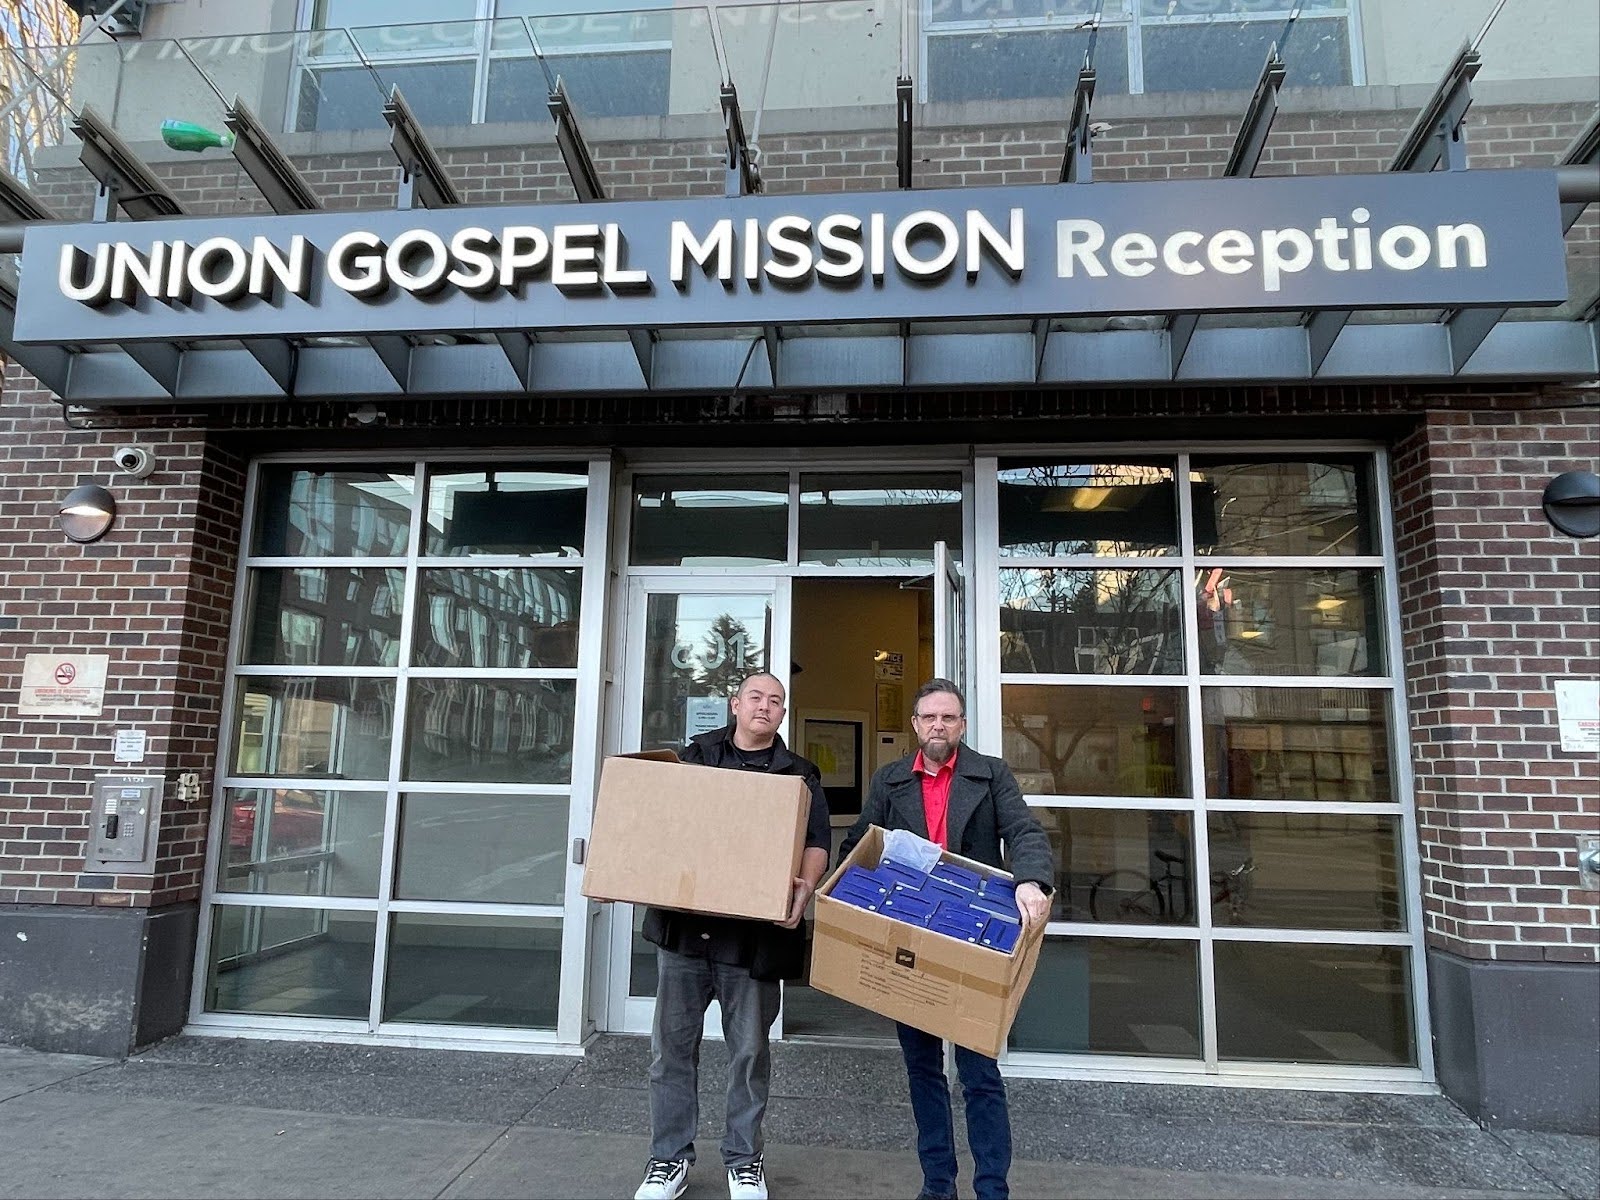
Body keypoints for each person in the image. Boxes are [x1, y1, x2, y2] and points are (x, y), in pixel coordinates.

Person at [839, 678, 1054, 1200]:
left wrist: (1030, 878)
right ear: (914, 725)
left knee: (980, 1074)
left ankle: (991, 1190)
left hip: (974, 939)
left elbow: (1025, 830)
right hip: (909, 942)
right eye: (930, 717)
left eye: (949, 718)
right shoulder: (890, 781)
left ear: (961, 724)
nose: (939, 725)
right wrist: (832, 891)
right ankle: (938, 1187)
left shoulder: (991, 774)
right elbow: (860, 842)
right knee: (923, 1072)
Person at [634, 672, 832, 1200]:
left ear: (783, 714)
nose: (765, 707)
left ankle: (744, 1161)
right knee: (671, 1051)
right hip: (685, 934)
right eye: (756, 698)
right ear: (735, 705)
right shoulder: (694, 759)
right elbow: (655, 825)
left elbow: (817, 845)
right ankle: (667, 1161)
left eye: (776, 701)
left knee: (748, 1054)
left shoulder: (801, 775)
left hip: (754, 941)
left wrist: (804, 891)